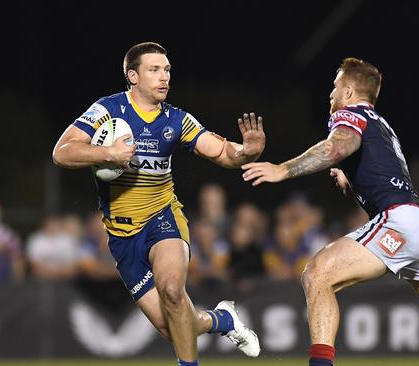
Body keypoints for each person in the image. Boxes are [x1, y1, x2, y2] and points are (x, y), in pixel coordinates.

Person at [242, 58, 419, 366]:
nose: (331, 93)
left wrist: (282, 170)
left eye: (336, 86)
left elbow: (335, 149)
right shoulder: (381, 125)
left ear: (350, 91)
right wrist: (351, 181)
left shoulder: (348, 115)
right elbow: (383, 176)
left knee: (318, 274)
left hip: (401, 222)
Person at [52, 42, 263, 365]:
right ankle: (222, 320)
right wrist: (107, 153)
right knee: (174, 329)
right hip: (122, 238)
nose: (164, 77)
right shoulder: (107, 111)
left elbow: (221, 152)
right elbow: (62, 152)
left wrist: (247, 152)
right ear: (132, 76)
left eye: (167, 70)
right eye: (154, 70)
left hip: (162, 218)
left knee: (173, 291)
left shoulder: (176, 120)